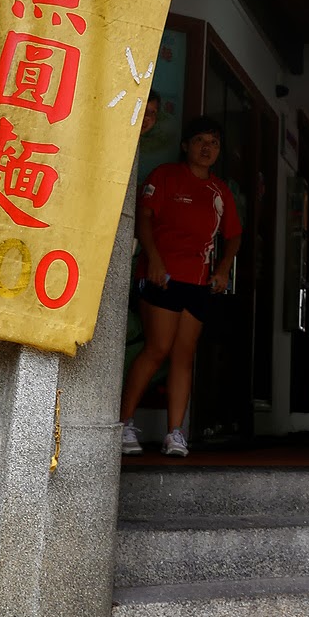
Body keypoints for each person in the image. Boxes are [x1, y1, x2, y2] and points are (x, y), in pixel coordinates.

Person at [119, 114, 241, 457]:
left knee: (183, 358)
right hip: (161, 276)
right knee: (157, 349)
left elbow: (233, 236)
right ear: (186, 145)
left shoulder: (220, 191)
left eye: (214, 143)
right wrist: (154, 259)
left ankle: (175, 433)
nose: (207, 148)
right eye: (201, 141)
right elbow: (143, 219)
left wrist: (223, 268)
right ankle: (123, 423)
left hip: (198, 281)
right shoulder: (165, 176)